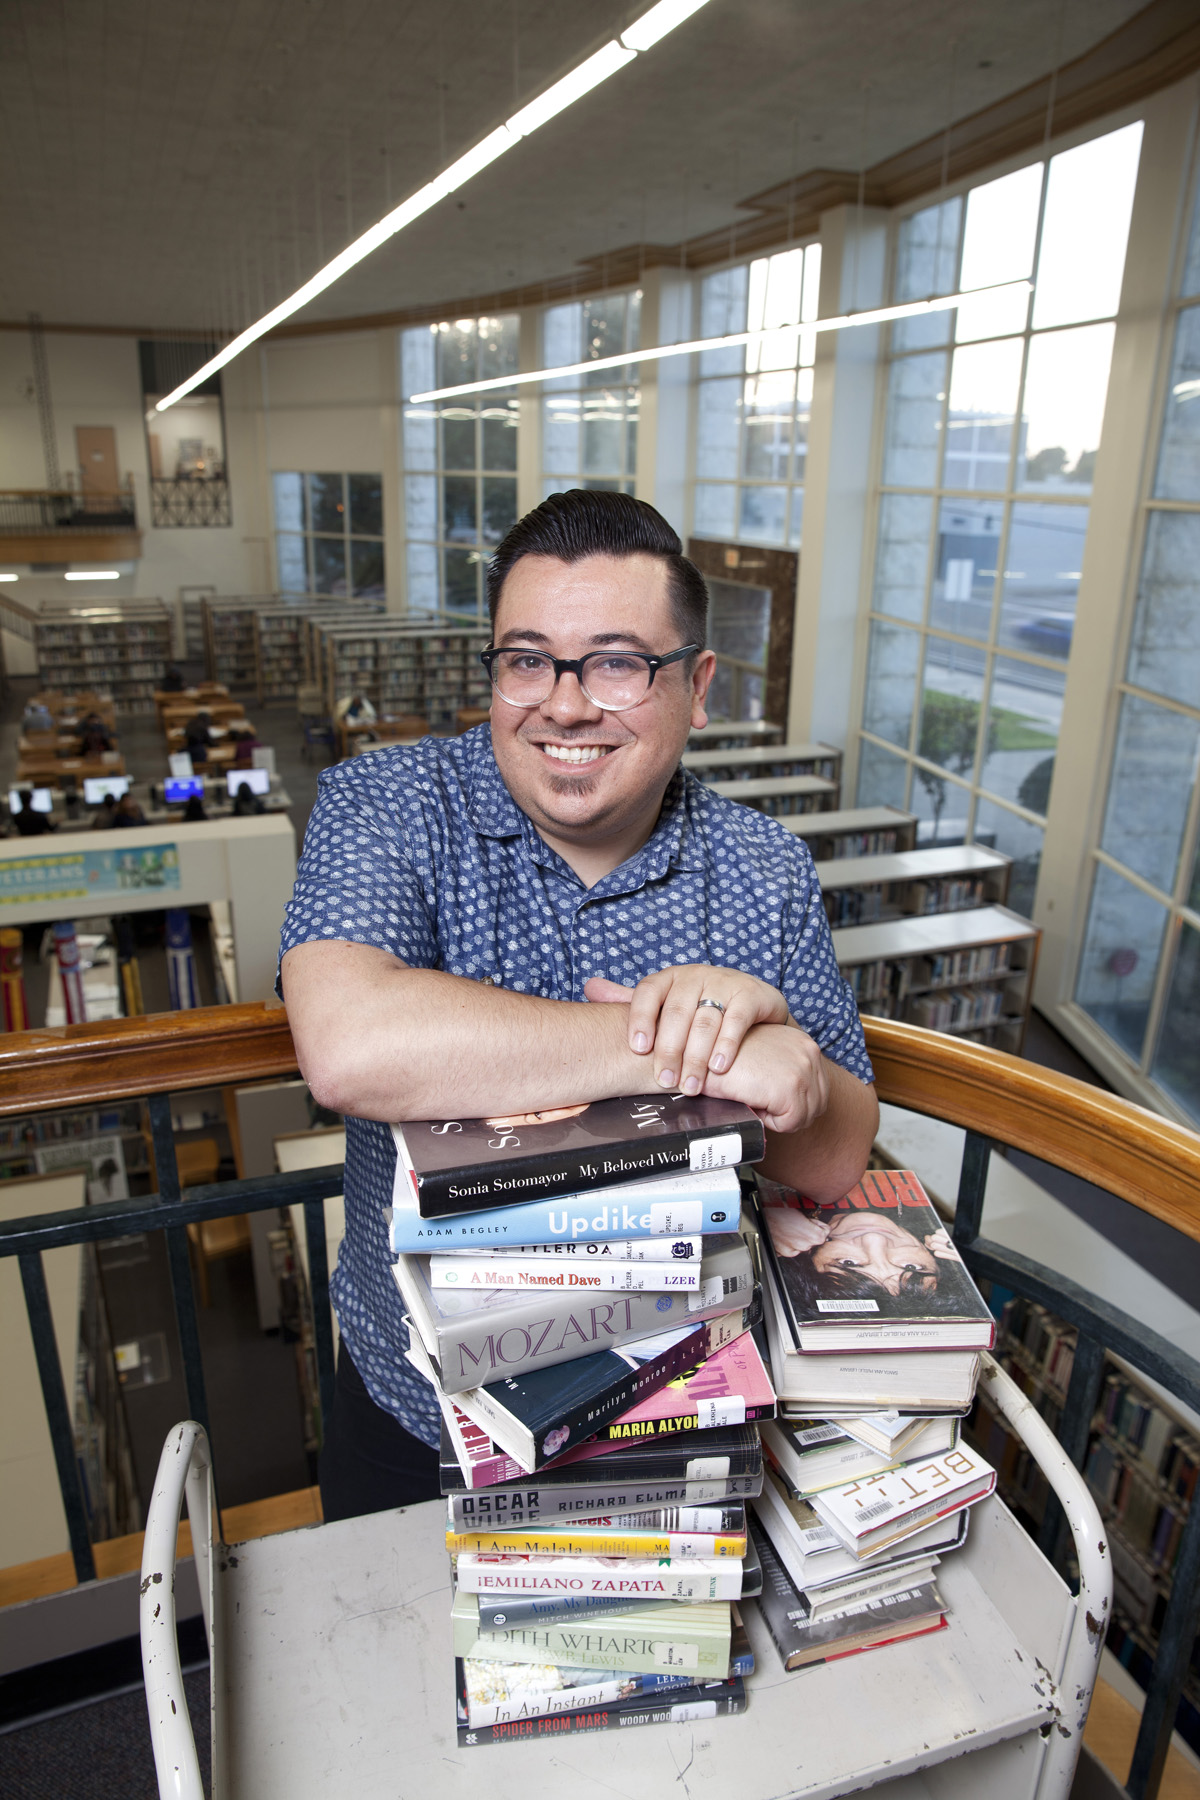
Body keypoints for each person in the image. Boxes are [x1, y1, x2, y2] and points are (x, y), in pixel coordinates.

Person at [280, 489, 878, 1522]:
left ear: (697, 687)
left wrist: (800, 1076)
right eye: (527, 661)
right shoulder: (383, 805)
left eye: (616, 665)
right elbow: (348, 1047)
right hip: (418, 1414)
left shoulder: (766, 867)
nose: (562, 705)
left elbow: (834, 1158)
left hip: (677, 1408)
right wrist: (698, 1051)